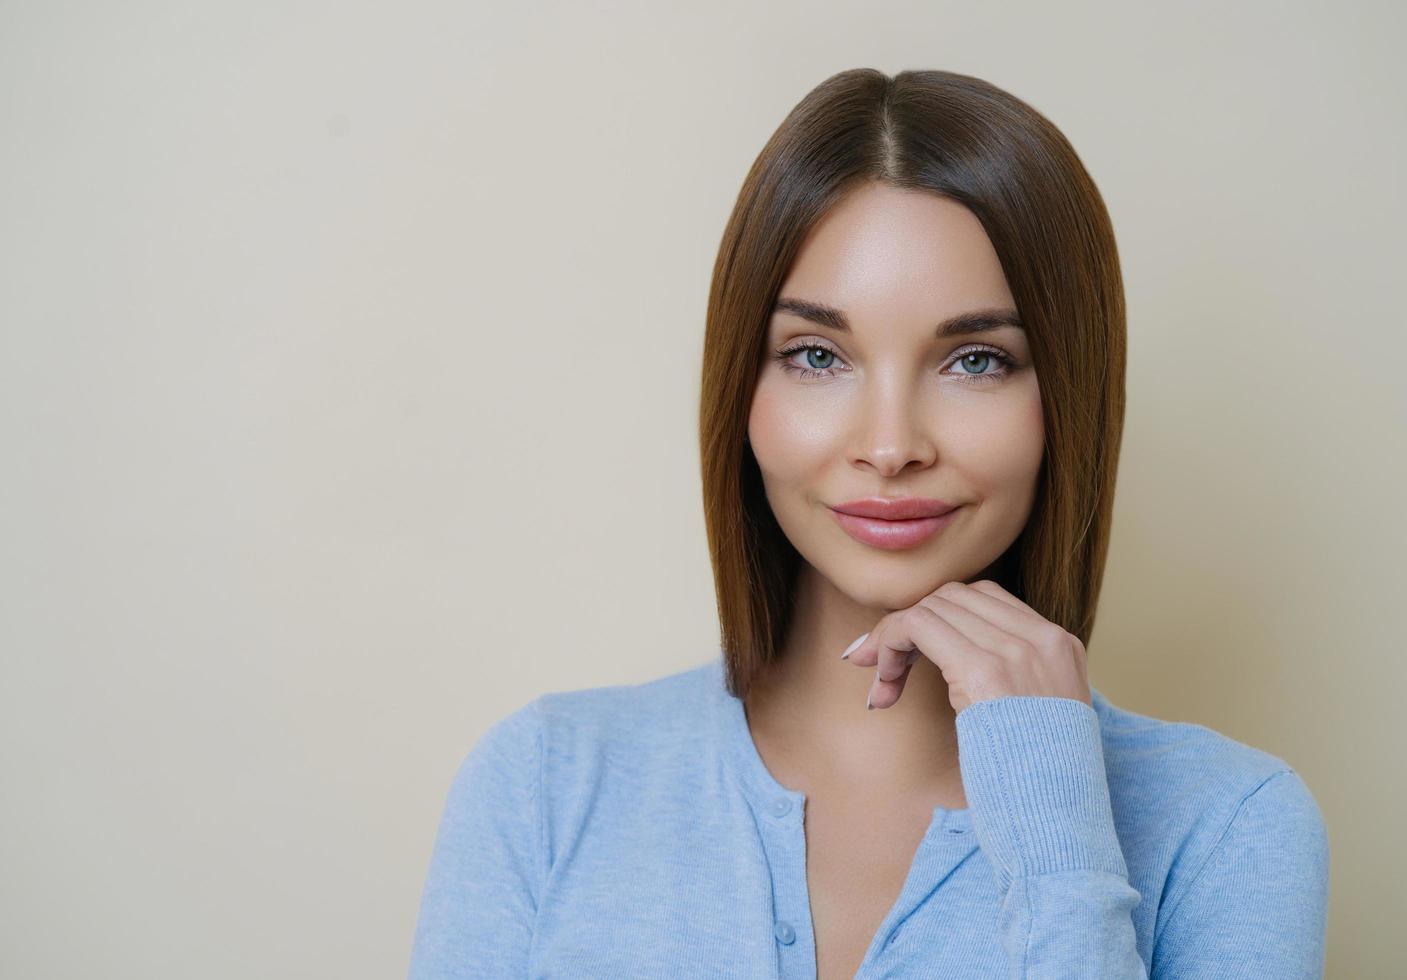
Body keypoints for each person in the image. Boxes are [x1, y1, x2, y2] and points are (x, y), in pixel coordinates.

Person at [407, 68, 1330, 979]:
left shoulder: (1228, 827)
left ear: (1069, 397)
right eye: (815, 355)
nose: (890, 447)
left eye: (975, 360)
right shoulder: (547, 784)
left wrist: (1056, 829)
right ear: (743, 389)